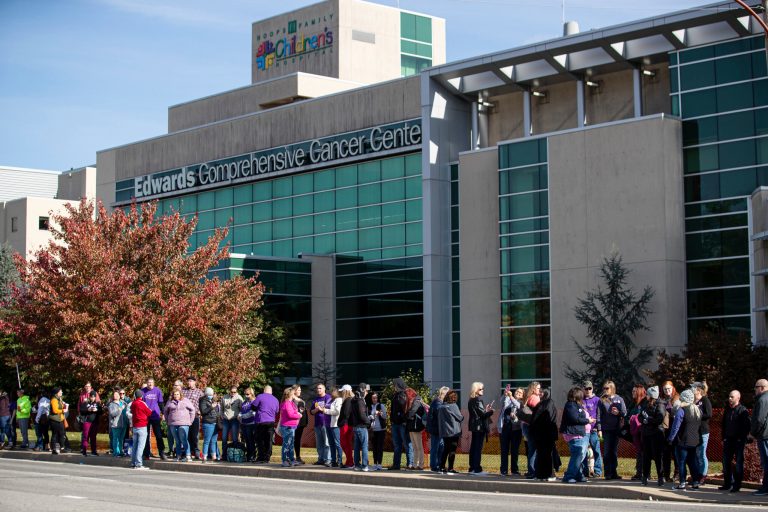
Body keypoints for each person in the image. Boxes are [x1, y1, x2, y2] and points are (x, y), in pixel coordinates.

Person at [668, 388, 702, 490]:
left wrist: (671, 438)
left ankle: (682, 482)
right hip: (694, 440)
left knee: (681, 462)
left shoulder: (681, 411)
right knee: (693, 461)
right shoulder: (697, 410)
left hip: (683, 440)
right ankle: (696, 482)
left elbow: (676, 426)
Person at [720, 389, 750, 493]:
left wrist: (741, 438)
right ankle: (727, 483)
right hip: (728, 439)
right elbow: (723, 425)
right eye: (729, 396)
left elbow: (746, 426)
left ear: (738, 398)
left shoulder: (742, 410)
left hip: (738, 441)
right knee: (726, 462)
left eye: (732, 397)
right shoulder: (727, 410)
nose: (729, 399)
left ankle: (737, 485)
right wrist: (723, 437)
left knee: (738, 463)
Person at [560, 386, 592, 483]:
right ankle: (569, 476)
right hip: (574, 434)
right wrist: (587, 420)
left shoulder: (575, 405)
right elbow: (574, 418)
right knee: (577, 455)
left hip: (577, 433)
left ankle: (578, 475)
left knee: (580, 455)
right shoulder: (571, 405)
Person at [598, 380, 627, 480]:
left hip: (616, 429)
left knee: (613, 452)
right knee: (606, 452)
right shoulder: (601, 400)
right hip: (606, 429)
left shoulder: (619, 399)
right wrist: (599, 429)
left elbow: (625, 413)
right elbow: (598, 416)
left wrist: (619, 413)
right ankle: (607, 473)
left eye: (607, 388)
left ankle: (614, 472)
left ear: (612, 388)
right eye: (604, 388)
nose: (605, 390)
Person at [639, 386, 666, 486]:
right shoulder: (645, 404)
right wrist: (643, 420)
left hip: (656, 434)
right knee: (646, 456)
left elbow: (659, 419)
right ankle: (645, 476)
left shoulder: (660, 404)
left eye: (647, 394)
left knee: (657, 456)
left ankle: (660, 477)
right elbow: (640, 415)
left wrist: (648, 420)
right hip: (646, 433)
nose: (646, 396)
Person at [531, 388, 558, 481]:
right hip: (540, 434)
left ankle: (549, 474)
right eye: (540, 392)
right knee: (541, 455)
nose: (540, 393)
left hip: (547, 434)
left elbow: (549, 418)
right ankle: (540, 475)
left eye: (542, 392)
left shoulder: (549, 403)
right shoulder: (541, 404)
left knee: (547, 455)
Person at [467, 381, 494, 475]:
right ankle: (477, 469)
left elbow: (479, 413)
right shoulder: (477, 400)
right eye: (481, 389)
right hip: (479, 427)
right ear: (476, 390)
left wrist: (485, 410)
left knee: (474, 447)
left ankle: (472, 468)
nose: (483, 390)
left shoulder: (471, 400)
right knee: (477, 448)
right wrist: (491, 412)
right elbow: (482, 415)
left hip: (474, 426)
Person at [164, 388, 195, 462]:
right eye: (174, 394)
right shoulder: (170, 402)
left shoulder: (186, 401)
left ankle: (188, 455)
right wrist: (168, 420)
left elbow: (192, 410)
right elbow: (165, 411)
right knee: (177, 441)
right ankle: (178, 455)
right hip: (173, 423)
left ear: (180, 394)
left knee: (184, 439)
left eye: (177, 394)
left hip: (184, 423)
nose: (176, 396)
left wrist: (191, 421)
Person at [388, 377, 412, 470]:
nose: (393, 386)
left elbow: (405, 410)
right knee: (397, 445)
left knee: (407, 444)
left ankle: (410, 463)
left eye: (394, 385)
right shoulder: (396, 395)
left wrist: (403, 419)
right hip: (395, 424)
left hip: (402, 424)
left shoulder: (403, 395)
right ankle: (396, 464)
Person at [519, 381, 542, 479]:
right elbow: (539, 410)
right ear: (533, 389)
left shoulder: (528, 397)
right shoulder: (534, 397)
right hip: (531, 426)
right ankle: (532, 471)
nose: (539, 390)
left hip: (526, 425)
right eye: (538, 388)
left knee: (531, 448)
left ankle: (530, 470)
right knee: (533, 449)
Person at [580, 381, 602, 479]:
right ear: (583, 389)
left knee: (596, 450)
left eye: (590, 388)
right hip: (584, 430)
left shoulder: (597, 400)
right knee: (583, 451)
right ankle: (585, 471)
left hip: (593, 429)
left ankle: (598, 470)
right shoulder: (581, 400)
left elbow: (599, 414)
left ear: (592, 388)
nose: (588, 390)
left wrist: (599, 428)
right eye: (586, 388)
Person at [438, 390, 463, 474]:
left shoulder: (441, 407)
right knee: (452, 450)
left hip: (445, 432)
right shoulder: (453, 406)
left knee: (445, 449)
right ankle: (450, 468)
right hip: (453, 431)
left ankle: (441, 467)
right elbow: (460, 418)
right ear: (454, 398)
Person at [252, 385, 279, 464]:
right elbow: (277, 411)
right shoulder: (276, 399)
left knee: (260, 440)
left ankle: (260, 457)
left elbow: (253, 407)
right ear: (271, 391)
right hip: (271, 422)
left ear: (264, 390)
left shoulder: (260, 396)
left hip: (261, 421)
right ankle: (267, 458)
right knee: (269, 440)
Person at [750, 378, 768, 497]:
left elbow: (760, 419)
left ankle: (765, 488)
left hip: (764, 435)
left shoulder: (762, 400)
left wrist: (753, 432)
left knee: (766, 462)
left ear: (761, 388)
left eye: (756, 387)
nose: (755, 390)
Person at [141, 378, 166, 461]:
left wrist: (163, 413)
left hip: (155, 415)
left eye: (151, 382)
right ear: (146, 383)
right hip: (145, 417)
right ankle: (146, 454)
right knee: (146, 436)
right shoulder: (143, 391)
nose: (150, 384)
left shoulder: (157, 391)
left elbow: (161, 403)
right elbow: (140, 403)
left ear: (154, 383)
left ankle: (162, 453)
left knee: (158, 435)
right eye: (148, 382)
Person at [660, 380, 680, 482]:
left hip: (674, 429)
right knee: (666, 453)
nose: (667, 390)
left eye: (669, 388)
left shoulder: (677, 398)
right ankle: (666, 474)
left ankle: (677, 473)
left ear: (673, 388)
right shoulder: (662, 399)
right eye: (665, 389)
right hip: (665, 429)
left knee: (676, 453)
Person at [692, 381, 712, 484]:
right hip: (694, 431)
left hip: (703, 431)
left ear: (698, 390)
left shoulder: (705, 400)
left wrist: (698, 416)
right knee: (695, 453)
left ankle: (703, 474)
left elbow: (709, 414)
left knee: (701, 453)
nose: (691, 390)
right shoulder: (693, 401)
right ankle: (696, 475)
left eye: (693, 389)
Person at [320, 386, 344, 468]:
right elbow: (326, 408)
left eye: (333, 391)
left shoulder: (339, 400)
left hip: (335, 425)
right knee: (331, 443)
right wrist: (322, 409)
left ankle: (340, 461)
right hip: (327, 424)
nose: (331, 392)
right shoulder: (330, 399)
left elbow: (337, 411)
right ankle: (333, 461)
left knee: (337, 443)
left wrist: (325, 411)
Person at [627, 384, 648, 480]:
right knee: (639, 452)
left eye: (634, 391)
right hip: (635, 431)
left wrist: (634, 417)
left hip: (642, 431)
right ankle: (639, 472)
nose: (633, 393)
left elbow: (642, 416)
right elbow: (629, 414)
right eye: (632, 391)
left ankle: (643, 473)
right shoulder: (634, 403)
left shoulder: (644, 402)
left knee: (643, 452)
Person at [309, 383, 332, 467]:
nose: (318, 390)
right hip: (317, 424)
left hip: (325, 423)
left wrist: (321, 409)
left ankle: (328, 460)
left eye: (320, 388)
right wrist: (316, 409)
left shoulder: (328, 397)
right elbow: (311, 412)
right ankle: (321, 459)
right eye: (317, 388)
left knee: (326, 443)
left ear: (324, 389)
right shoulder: (316, 399)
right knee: (319, 444)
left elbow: (330, 408)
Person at [350, 384, 372, 471]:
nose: (367, 392)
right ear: (363, 390)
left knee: (356, 447)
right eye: (366, 391)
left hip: (356, 426)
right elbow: (362, 415)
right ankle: (365, 465)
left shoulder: (354, 400)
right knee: (364, 446)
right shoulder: (360, 401)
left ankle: (357, 465)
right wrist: (368, 421)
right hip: (361, 426)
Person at [279, 386, 302, 467]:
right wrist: (298, 415)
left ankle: (291, 459)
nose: (294, 395)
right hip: (287, 427)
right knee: (286, 444)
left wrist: (297, 413)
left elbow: (294, 412)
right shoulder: (286, 403)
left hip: (292, 426)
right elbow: (290, 414)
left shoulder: (290, 403)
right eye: (293, 394)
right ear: (290, 395)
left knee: (291, 444)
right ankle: (284, 460)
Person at [130, 389, 152, 469]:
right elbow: (149, 412)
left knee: (135, 446)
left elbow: (132, 411)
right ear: (142, 396)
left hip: (135, 426)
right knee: (141, 446)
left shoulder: (133, 403)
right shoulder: (142, 403)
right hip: (142, 426)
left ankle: (133, 462)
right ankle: (139, 463)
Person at [428, 387, 448, 473]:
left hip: (438, 429)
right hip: (436, 429)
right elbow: (439, 414)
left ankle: (439, 464)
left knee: (441, 447)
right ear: (444, 394)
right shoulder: (438, 403)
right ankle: (434, 466)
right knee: (435, 448)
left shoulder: (439, 402)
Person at [405, 387, 427, 470]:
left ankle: (420, 465)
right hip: (412, 426)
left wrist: (406, 415)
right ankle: (415, 465)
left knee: (419, 447)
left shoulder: (417, 401)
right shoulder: (413, 401)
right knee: (415, 446)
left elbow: (411, 412)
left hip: (416, 426)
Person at [182, 376, 203, 459]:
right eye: (188, 381)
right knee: (186, 435)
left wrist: (200, 411)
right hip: (185, 417)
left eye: (191, 381)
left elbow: (203, 403)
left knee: (194, 435)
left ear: (195, 382)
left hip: (195, 417)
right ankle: (188, 452)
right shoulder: (183, 391)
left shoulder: (199, 392)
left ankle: (196, 451)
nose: (189, 383)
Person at [219, 386, 242, 461]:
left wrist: (239, 416)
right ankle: (224, 455)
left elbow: (242, 409)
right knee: (224, 438)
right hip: (226, 420)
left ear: (236, 392)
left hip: (234, 419)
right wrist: (222, 416)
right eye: (231, 392)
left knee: (235, 438)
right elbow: (221, 409)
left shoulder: (239, 398)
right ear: (229, 391)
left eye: (234, 392)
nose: (233, 393)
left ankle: (235, 456)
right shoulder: (224, 397)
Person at [199, 387, 220, 463]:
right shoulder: (203, 400)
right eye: (209, 394)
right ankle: (204, 457)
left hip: (215, 422)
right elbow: (203, 411)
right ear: (206, 394)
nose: (211, 395)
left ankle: (214, 457)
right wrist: (212, 407)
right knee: (207, 441)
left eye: (212, 394)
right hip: (208, 423)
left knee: (214, 441)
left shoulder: (211, 400)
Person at [79, 390, 101, 456]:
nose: (92, 398)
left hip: (94, 422)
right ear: (89, 397)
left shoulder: (97, 404)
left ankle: (93, 451)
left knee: (93, 437)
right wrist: (88, 410)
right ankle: (84, 451)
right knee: (86, 436)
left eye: (94, 397)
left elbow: (101, 412)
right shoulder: (85, 403)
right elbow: (81, 410)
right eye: (91, 396)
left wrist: (97, 410)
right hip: (87, 421)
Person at [368, 391, 387, 471]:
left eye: (376, 398)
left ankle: (379, 463)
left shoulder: (381, 405)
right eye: (373, 398)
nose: (374, 399)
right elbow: (367, 417)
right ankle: (375, 463)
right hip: (373, 430)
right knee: (374, 447)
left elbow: (385, 416)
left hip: (381, 429)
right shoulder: (369, 407)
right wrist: (370, 416)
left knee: (379, 447)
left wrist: (380, 413)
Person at [108, 390, 129, 457]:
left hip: (123, 424)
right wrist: (120, 409)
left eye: (117, 394)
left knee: (121, 439)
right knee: (115, 439)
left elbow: (127, 412)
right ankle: (116, 452)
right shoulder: (111, 405)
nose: (116, 396)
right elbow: (112, 414)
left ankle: (120, 451)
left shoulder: (123, 403)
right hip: (116, 424)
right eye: (114, 395)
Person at [338, 386, 355, 468]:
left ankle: (350, 462)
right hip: (348, 424)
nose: (341, 393)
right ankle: (349, 461)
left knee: (344, 443)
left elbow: (345, 413)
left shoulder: (348, 400)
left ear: (345, 391)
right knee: (347, 443)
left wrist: (341, 421)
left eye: (342, 391)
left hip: (346, 424)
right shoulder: (351, 399)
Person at [239, 387, 257, 462]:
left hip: (251, 423)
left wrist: (242, 416)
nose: (246, 396)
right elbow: (242, 410)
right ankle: (248, 455)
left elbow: (252, 413)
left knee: (251, 440)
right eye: (245, 394)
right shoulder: (244, 402)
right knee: (246, 440)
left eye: (248, 394)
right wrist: (239, 414)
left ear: (252, 394)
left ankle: (252, 455)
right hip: (244, 423)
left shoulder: (254, 402)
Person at [291, 384, 308, 465]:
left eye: (300, 390)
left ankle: (297, 456)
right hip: (295, 423)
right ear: (294, 391)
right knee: (293, 440)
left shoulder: (300, 399)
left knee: (297, 440)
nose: (300, 391)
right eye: (299, 390)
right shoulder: (292, 400)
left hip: (301, 423)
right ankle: (293, 457)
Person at [165, 381, 182, 457]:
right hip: (171, 419)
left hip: (180, 420)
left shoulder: (183, 396)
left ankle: (179, 451)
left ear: (180, 386)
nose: (174, 386)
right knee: (170, 435)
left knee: (180, 436)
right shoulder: (171, 396)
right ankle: (171, 450)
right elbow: (167, 408)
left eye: (176, 385)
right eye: (174, 385)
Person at [48, 388, 68, 454]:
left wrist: (64, 406)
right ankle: (53, 449)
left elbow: (61, 407)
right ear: (57, 393)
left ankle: (62, 448)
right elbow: (55, 410)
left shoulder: (59, 399)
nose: (62, 392)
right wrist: (62, 410)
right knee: (55, 434)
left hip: (60, 419)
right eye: (60, 391)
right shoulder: (54, 400)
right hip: (54, 419)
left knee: (62, 433)